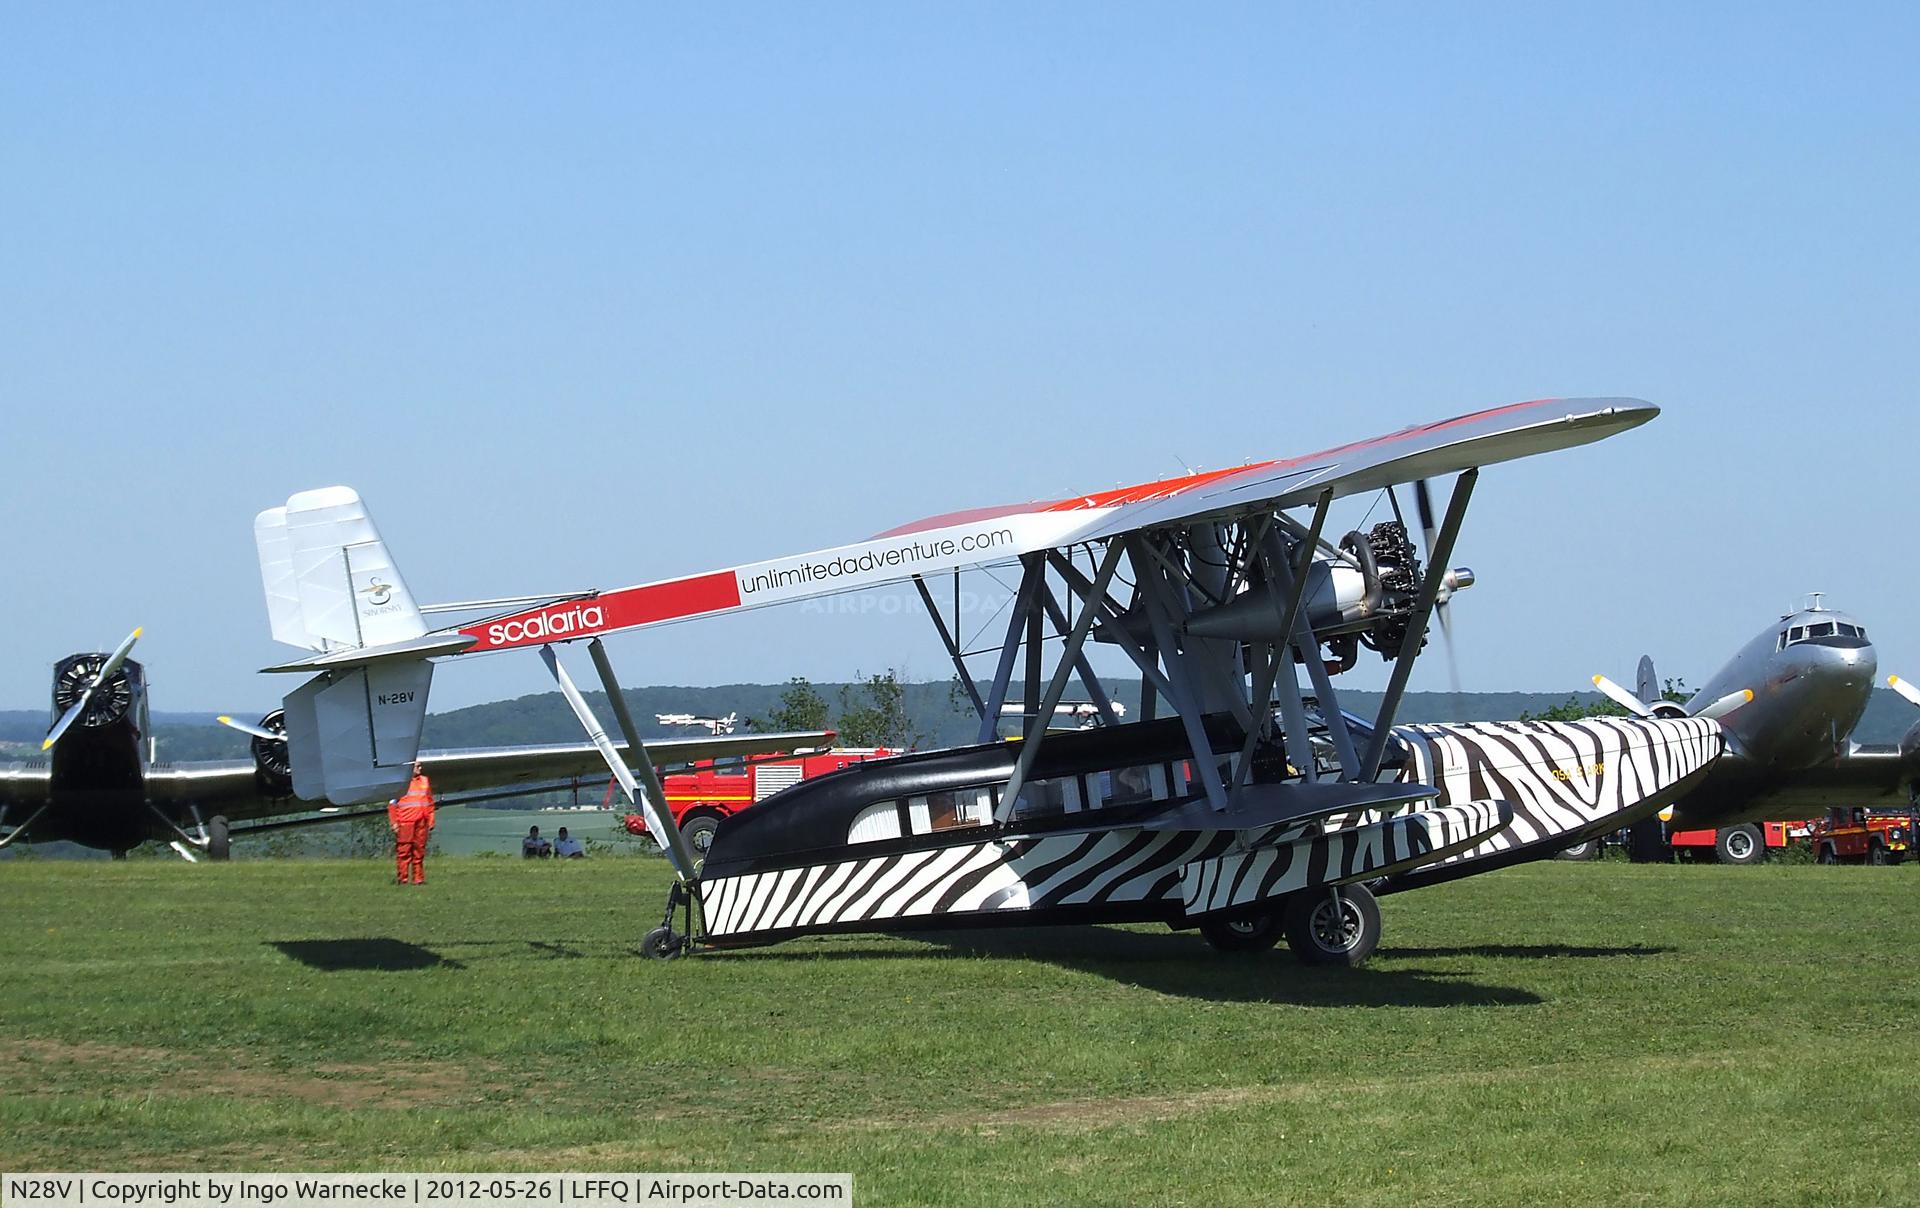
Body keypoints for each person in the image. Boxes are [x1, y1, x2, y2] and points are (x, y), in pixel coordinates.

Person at [389, 762, 435, 885]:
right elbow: (392, 805)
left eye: (420, 766)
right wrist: (394, 822)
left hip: (422, 821)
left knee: (419, 851)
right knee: (404, 851)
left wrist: (431, 819)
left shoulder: (425, 781)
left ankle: (418, 879)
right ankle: (403, 879)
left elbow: (430, 802)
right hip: (406, 821)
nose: (420, 768)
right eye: (417, 766)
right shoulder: (401, 784)